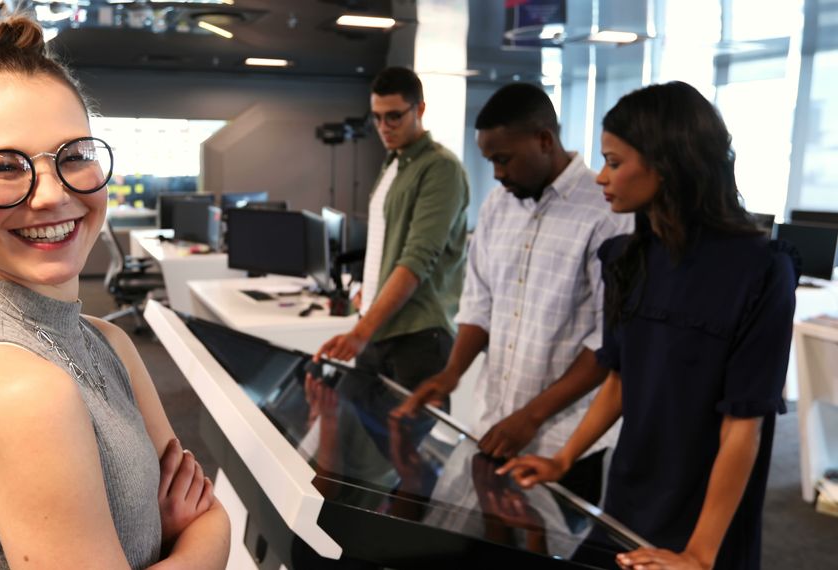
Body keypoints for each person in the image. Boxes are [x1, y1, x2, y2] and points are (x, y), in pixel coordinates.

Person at [0, 14, 229, 569]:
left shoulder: (109, 342)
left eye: (75, 155)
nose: (51, 196)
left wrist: (199, 532)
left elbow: (212, 515)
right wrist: (188, 540)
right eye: (4, 166)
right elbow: (208, 527)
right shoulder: (19, 391)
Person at [499, 81, 798, 570]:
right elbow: (620, 380)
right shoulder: (626, 257)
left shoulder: (761, 270)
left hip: (706, 513)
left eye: (614, 162)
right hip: (631, 492)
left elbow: (744, 426)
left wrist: (699, 554)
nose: (600, 177)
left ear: (668, 164)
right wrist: (564, 458)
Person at [394, 83, 632, 504]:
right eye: (490, 162)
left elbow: (607, 341)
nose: (498, 174)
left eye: (504, 160)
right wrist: (452, 373)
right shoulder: (496, 205)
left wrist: (532, 417)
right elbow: (480, 303)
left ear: (544, 140)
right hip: (493, 423)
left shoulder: (607, 213)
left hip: (564, 440)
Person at [313, 67, 469, 391]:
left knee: (406, 441)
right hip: (378, 327)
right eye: (377, 117)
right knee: (365, 436)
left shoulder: (440, 167)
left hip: (417, 337)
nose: (384, 127)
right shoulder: (394, 163)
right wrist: (364, 292)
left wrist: (360, 333)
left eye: (394, 116)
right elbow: (384, 243)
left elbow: (416, 260)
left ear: (420, 109)